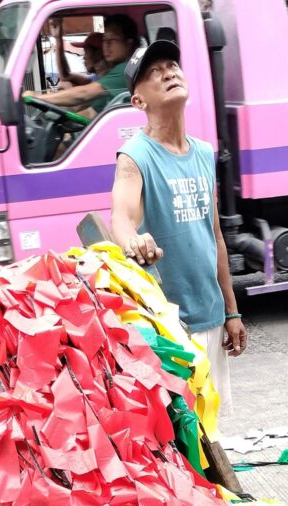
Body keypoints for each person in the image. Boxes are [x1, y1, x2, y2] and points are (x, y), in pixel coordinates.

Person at [109, 40, 247, 413]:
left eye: (171, 65)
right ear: (138, 101)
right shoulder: (134, 156)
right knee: (183, 431)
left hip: (211, 313)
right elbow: (120, 216)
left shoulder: (203, 152)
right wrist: (133, 241)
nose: (168, 72)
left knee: (211, 425)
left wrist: (231, 311)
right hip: (168, 324)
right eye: (154, 72)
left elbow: (214, 236)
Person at [31, 15, 138, 114]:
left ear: (129, 43)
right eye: (105, 40)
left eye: (112, 40)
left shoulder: (126, 69)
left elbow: (83, 94)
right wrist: (58, 38)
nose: (106, 46)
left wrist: (37, 97)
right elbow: (89, 113)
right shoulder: (105, 79)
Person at [49, 22, 107, 86]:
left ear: (98, 54)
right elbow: (65, 76)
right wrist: (58, 38)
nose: (84, 57)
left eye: (86, 52)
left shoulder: (106, 81)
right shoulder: (95, 78)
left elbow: (65, 76)